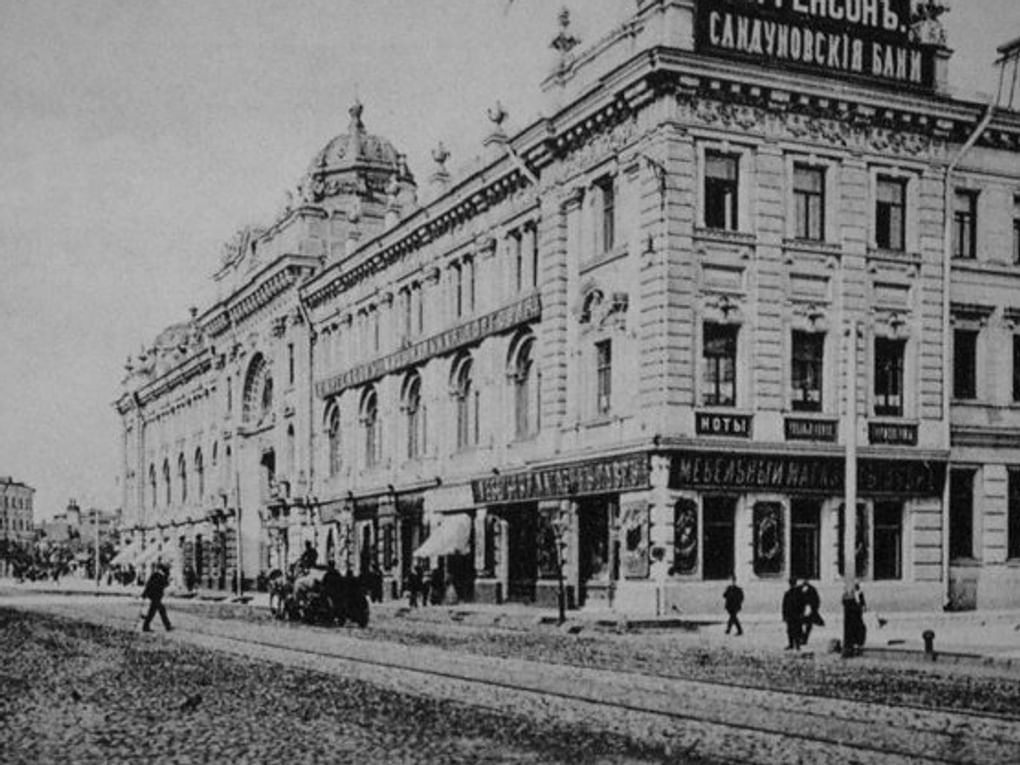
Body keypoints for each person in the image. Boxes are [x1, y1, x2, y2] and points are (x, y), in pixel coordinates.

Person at [141, 563, 172, 632]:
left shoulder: (155, 575)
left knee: (156, 611)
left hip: (153, 596)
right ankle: (167, 626)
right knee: (158, 611)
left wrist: (144, 594)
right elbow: (165, 584)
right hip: (156, 596)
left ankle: (167, 626)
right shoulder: (160, 576)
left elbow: (148, 584)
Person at [843, 582, 867, 655]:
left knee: (861, 629)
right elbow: (847, 604)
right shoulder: (848, 595)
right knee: (854, 630)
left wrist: (862, 606)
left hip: (858, 615)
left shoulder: (859, 594)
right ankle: (853, 645)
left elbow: (863, 603)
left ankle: (858, 644)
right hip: (852, 616)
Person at [799, 579, 823, 646]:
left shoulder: (812, 590)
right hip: (803, 610)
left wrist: (814, 609)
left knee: (808, 625)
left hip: (810, 610)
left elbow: (816, 600)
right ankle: (803, 637)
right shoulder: (800, 589)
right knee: (800, 624)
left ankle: (804, 638)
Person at [781, 577, 802, 650]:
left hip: (791, 615)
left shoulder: (788, 593)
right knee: (797, 630)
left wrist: (784, 616)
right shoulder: (799, 593)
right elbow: (802, 604)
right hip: (797, 615)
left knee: (791, 630)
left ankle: (792, 644)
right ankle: (797, 645)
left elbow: (784, 606)